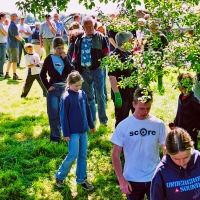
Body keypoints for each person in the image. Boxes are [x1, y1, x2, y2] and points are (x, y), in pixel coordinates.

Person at [111, 87, 168, 200]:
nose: (145, 112)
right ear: (133, 104)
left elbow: (166, 149)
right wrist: (121, 180)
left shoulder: (158, 124)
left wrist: (165, 172)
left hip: (154, 177)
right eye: (141, 108)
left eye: (148, 108)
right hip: (132, 179)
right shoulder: (123, 126)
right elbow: (115, 155)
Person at [55, 71, 95, 190]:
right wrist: (65, 132)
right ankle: (60, 176)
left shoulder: (82, 94)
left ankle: (81, 179)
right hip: (72, 133)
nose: (78, 88)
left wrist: (91, 125)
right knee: (73, 154)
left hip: (83, 130)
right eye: (76, 85)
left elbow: (88, 110)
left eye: (79, 85)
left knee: (83, 155)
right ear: (69, 83)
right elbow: (63, 116)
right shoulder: (66, 97)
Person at [72, 16, 109, 126]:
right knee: (89, 97)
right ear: (83, 27)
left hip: (97, 71)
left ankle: (103, 120)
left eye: (91, 26)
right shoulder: (79, 39)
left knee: (100, 95)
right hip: (84, 71)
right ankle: (92, 121)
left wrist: (101, 66)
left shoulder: (100, 37)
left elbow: (106, 53)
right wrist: (76, 68)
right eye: (87, 26)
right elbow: (75, 55)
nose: (89, 28)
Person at [151, 127, 200, 200]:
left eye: (186, 157)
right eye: (176, 159)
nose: (182, 162)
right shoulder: (161, 172)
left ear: (191, 148)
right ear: (168, 153)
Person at [40, 37, 74, 143]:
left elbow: (72, 71)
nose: (61, 50)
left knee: (65, 113)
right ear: (54, 48)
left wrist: (65, 59)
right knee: (53, 113)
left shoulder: (65, 57)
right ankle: (55, 137)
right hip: (53, 90)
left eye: (63, 48)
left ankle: (67, 135)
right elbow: (42, 74)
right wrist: (47, 86)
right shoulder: (49, 59)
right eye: (59, 48)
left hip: (65, 88)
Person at [108, 31, 137, 127]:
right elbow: (112, 77)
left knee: (136, 119)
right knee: (121, 120)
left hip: (132, 92)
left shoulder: (129, 54)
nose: (133, 42)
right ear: (125, 42)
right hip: (122, 94)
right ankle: (119, 141)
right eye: (131, 40)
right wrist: (117, 94)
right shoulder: (114, 55)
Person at [174, 72, 200, 149]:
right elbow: (179, 112)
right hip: (180, 129)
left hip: (190, 132)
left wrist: (196, 126)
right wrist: (175, 123)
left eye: (179, 82)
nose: (178, 84)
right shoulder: (181, 97)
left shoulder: (193, 99)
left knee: (191, 151)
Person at [144, 21, 168, 92]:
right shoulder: (151, 37)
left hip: (159, 55)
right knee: (147, 71)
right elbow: (146, 46)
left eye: (153, 28)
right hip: (151, 55)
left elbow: (166, 45)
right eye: (151, 28)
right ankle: (146, 87)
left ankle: (160, 87)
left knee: (159, 72)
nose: (152, 30)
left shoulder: (161, 36)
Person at [4, 13, 26, 80]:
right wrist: (23, 40)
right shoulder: (13, 25)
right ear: (13, 17)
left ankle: (7, 74)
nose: (17, 18)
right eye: (16, 17)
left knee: (10, 60)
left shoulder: (11, 25)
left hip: (9, 45)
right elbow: (16, 36)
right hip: (13, 45)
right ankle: (14, 75)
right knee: (14, 61)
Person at [0, 12, 8, 77]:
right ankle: (0, 73)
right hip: (2, 43)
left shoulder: (2, 24)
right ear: (1, 17)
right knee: (2, 59)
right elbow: (5, 33)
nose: (5, 18)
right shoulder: (0, 25)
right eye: (5, 17)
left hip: (2, 42)